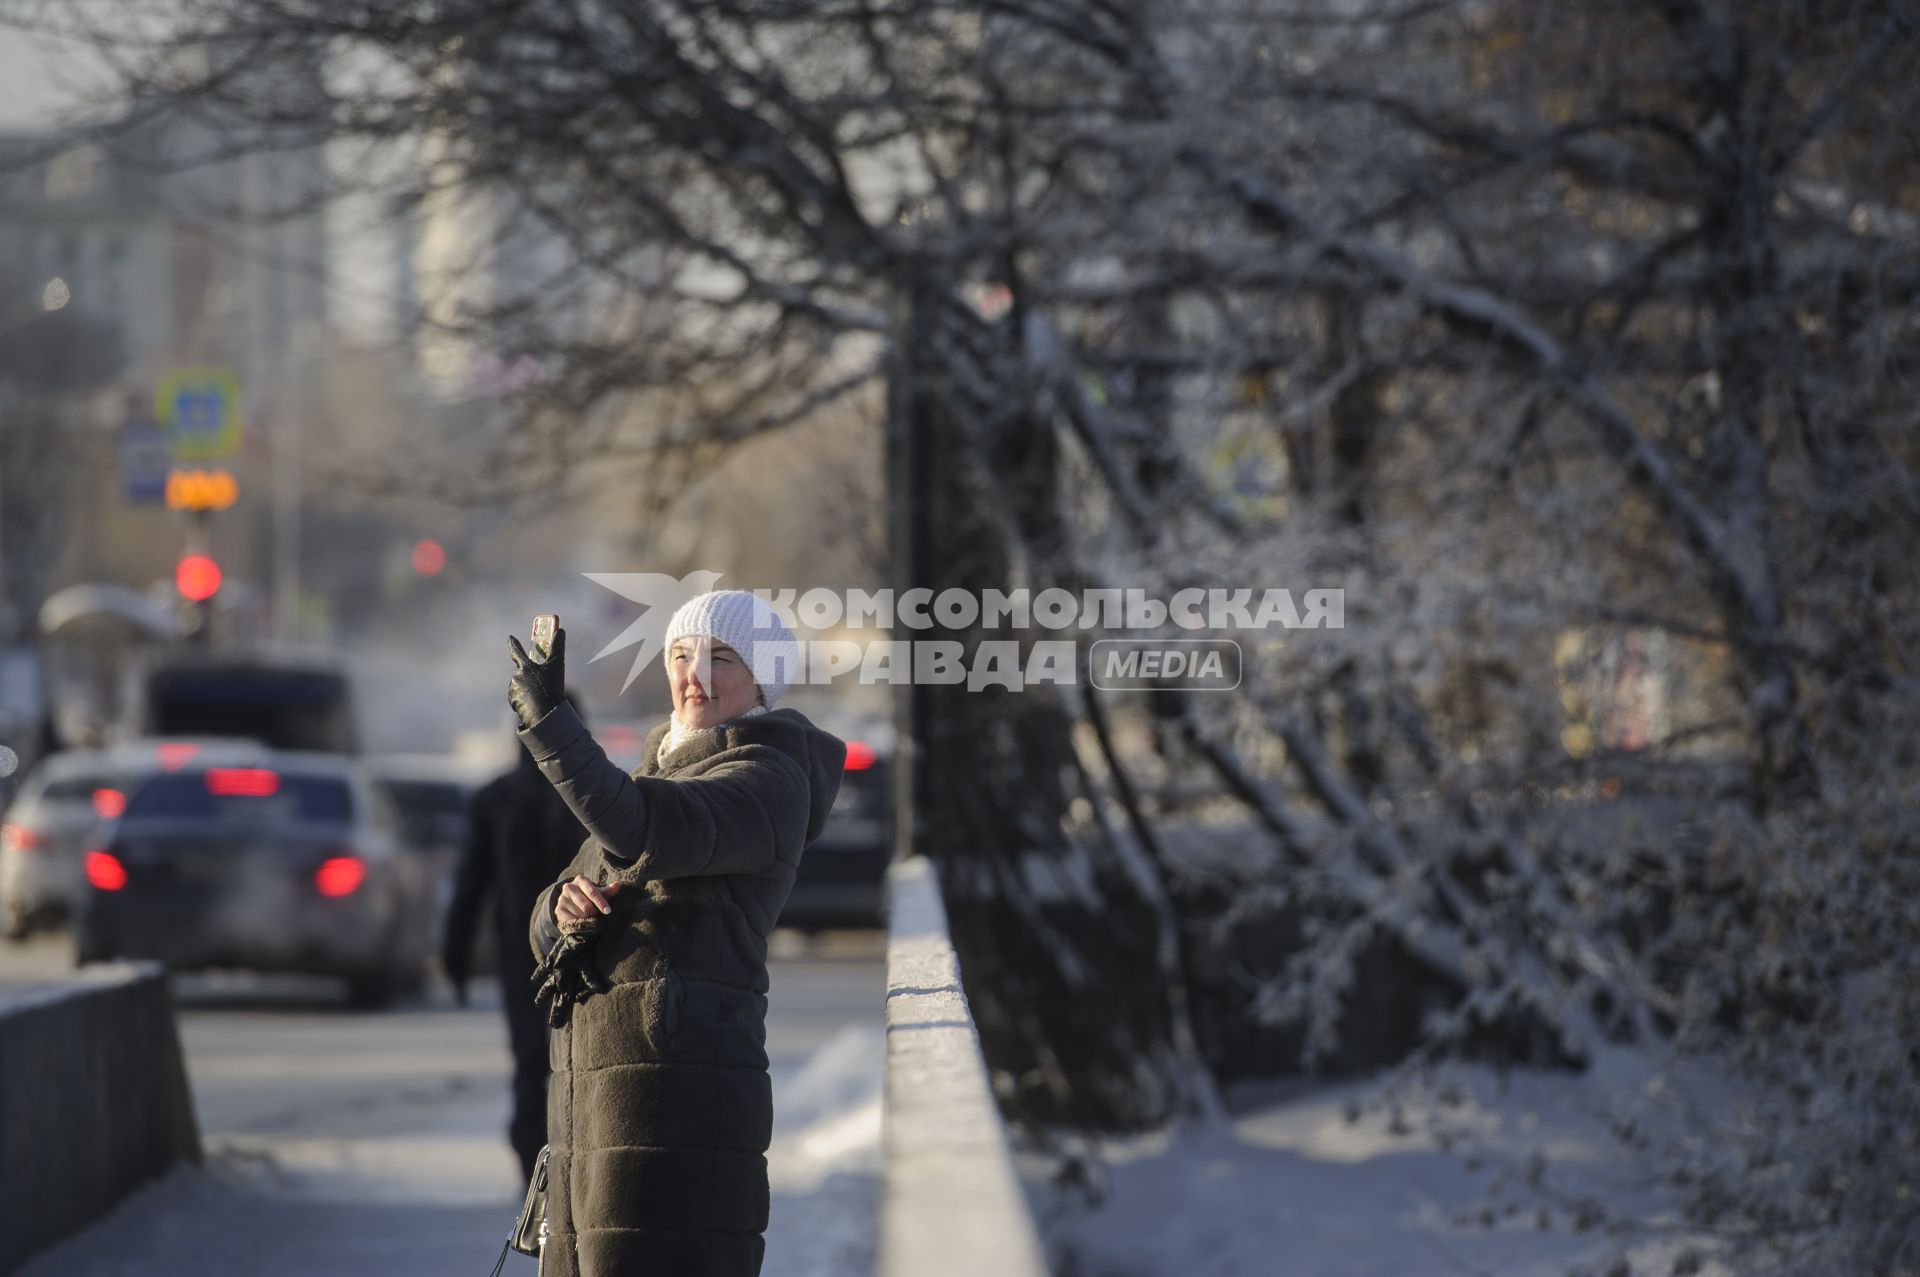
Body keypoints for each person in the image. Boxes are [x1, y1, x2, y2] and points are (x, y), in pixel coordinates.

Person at [505, 589, 846, 1277]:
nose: (698, 674)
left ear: (762, 678)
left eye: (723, 658)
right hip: (596, 1124)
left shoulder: (770, 778)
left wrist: (552, 723)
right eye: (682, 655)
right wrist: (559, 911)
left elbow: (645, 828)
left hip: (680, 1113)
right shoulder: (656, 769)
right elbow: (551, 916)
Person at [440, 693, 589, 1181]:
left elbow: (471, 883)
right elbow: (473, 881)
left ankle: (548, 1175)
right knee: (547, 1066)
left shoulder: (581, 796)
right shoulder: (581, 796)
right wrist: (456, 951)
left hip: (563, 955)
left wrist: (456, 952)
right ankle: (542, 1175)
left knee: (550, 1066)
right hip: (550, 955)